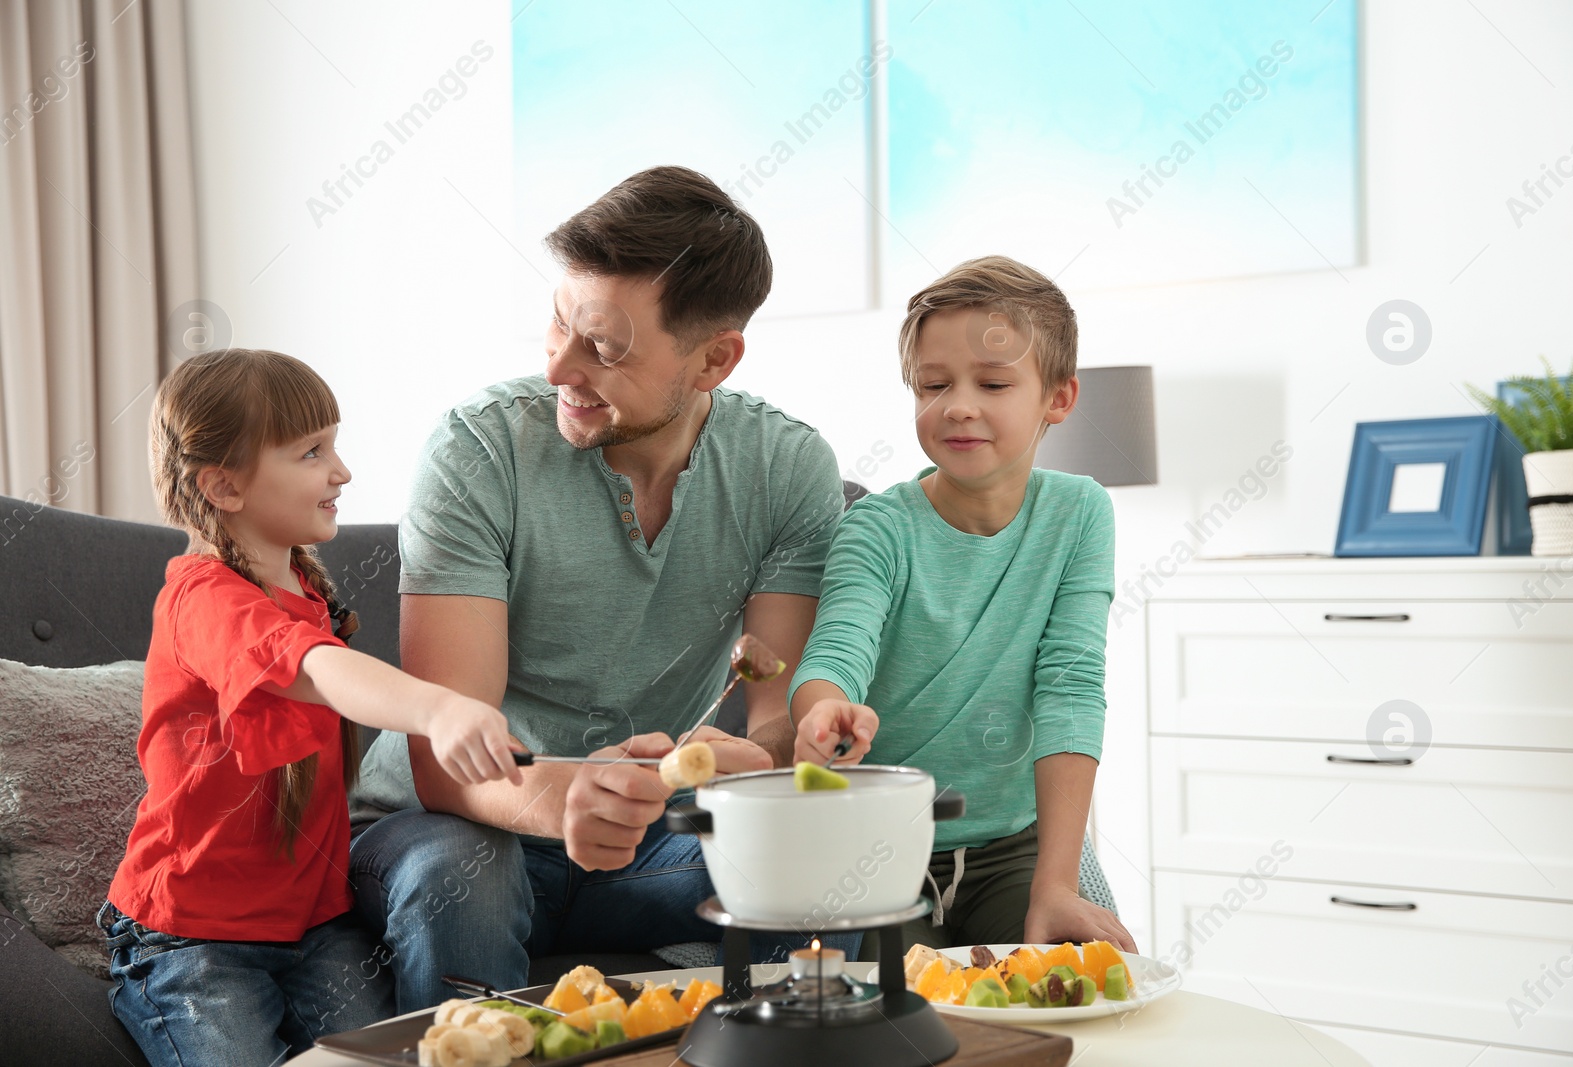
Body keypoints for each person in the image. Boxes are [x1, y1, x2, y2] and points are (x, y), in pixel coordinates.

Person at [348, 166, 850, 1013]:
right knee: (462, 879)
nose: (557, 368)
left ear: (714, 358)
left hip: (651, 834)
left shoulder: (789, 469)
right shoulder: (480, 451)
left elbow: (774, 716)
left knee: (809, 865)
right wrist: (568, 798)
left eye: (605, 348)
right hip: (450, 823)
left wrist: (753, 763)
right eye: (558, 320)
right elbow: (445, 758)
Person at [99, 349, 522, 1067]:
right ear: (224, 485)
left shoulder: (305, 585)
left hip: (314, 929)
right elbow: (318, 671)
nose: (342, 471)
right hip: (194, 938)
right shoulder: (202, 599)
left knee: (394, 1056)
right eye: (311, 451)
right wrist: (440, 709)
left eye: (334, 444)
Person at [789, 256, 1137, 953]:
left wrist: (1058, 881)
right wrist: (823, 706)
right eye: (934, 384)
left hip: (1012, 847)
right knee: (899, 1017)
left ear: (1058, 399)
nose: (958, 404)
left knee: (1080, 985)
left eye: (995, 383)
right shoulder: (878, 527)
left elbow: (1071, 686)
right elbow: (835, 652)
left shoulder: (1080, 513)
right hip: (878, 848)